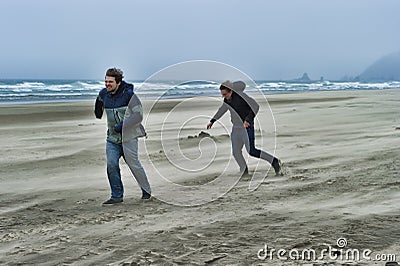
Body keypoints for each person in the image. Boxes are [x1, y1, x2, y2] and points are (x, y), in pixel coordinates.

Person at [95, 68, 151, 204]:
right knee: (111, 165)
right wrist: (98, 106)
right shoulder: (104, 94)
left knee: (134, 165)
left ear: (118, 82)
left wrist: (121, 127)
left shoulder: (129, 95)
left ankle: (146, 191)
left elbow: (138, 115)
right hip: (112, 139)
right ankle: (116, 196)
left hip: (129, 138)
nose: (107, 84)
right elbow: (99, 108)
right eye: (106, 81)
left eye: (110, 82)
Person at [207, 80, 282, 176]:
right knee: (236, 152)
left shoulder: (242, 97)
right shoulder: (227, 100)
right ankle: (244, 170)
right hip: (236, 128)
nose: (223, 97)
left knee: (251, 151)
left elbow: (255, 106)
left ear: (231, 91)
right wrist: (212, 120)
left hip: (247, 127)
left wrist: (248, 120)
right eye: (222, 95)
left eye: (225, 94)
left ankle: (274, 161)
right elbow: (222, 110)